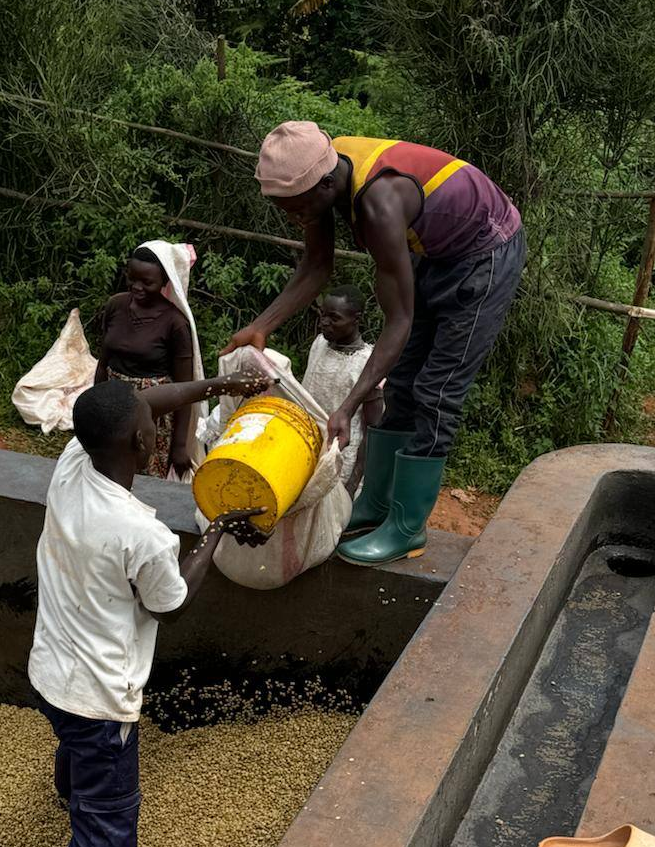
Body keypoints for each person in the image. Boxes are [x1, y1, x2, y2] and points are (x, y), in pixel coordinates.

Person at [28, 370, 270, 847]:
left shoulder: (73, 464)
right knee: (100, 846)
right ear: (142, 446)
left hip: (49, 671)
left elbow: (139, 403)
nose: (156, 426)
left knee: (71, 742)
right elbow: (173, 602)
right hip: (101, 702)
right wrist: (217, 530)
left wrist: (220, 385)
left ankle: (66, 799)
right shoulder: (143, 535)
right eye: (150, 428)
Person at [222, 122, 526, 564]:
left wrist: (347, 406)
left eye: (297, 208)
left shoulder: (379, 204)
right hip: (436, 248)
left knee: (437, 390)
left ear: (325, 185)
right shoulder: (323, 171)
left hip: (485, 250)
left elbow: (398, 322)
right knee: (401, 382)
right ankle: (376, 504)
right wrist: (261, 326)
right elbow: (317, 265)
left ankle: (407, 527)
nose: (294, 217)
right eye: (284, 209)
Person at [94, 245, 198, 480]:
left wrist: (180, 446)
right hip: (113, 403)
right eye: (132, 279)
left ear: (164, 282)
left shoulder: (175, 324)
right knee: (107, 472)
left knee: (143, 478)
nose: (137, 287)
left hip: (152, 414)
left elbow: (184, 390)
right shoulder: (116, 306)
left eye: (147, 282)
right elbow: (103, 363)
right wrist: (95, 408)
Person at [301, 285, 383, 495]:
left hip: (340, 462)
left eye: (334, 318)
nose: (324, 322)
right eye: (323, 315)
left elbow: (372, 430)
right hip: (304, 447)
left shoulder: (368, 363)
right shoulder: (319, 344)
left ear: (356, 319)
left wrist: (353, 483)